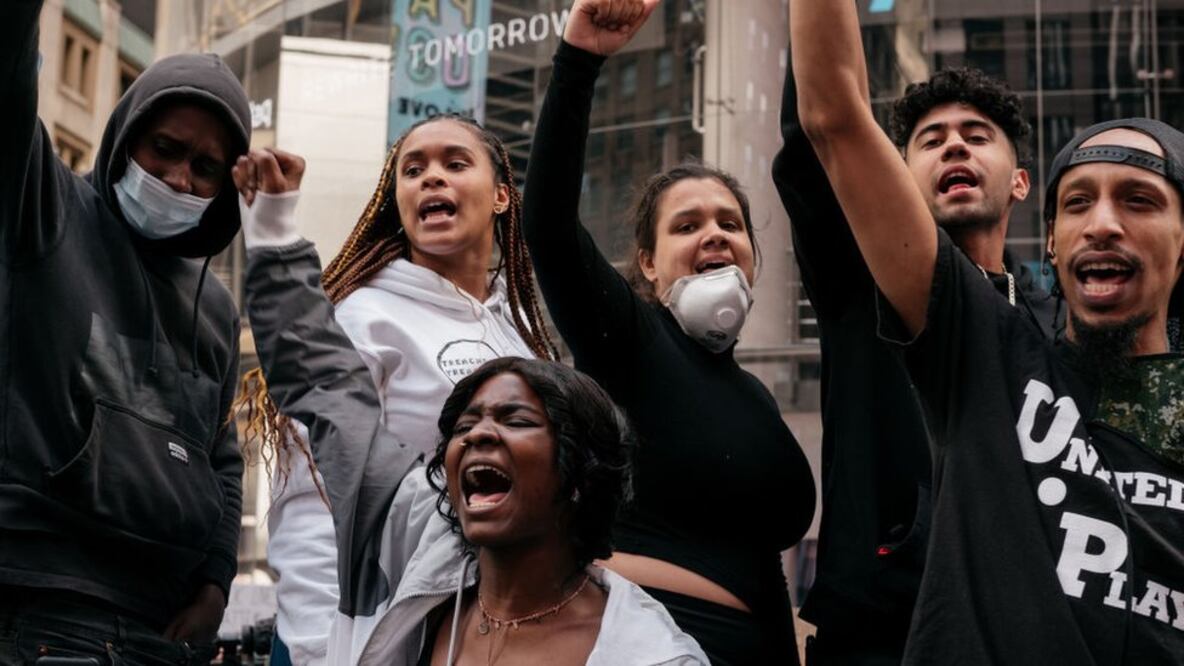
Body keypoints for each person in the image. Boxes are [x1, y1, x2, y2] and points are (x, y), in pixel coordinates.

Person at [793, 0, 1184, 663]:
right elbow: (834, 117)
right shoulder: (986, 352)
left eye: (1139, 200)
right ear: (1053, 241)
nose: (1102, 224)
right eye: (1078, 203)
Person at [235, 168, 710, 664]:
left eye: (516, 421)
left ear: (579, 473)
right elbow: (328, 384)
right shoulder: (410, 538)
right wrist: (273, 231)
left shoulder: (651, 654)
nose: (479, 434)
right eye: (464, 426)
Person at [521, 1, 816, 662]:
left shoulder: (756, 396)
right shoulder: (630, 341)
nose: (714, 233)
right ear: (648, 264)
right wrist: (578, 60)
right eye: (687, 225)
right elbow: (548, 228)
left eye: (730, 223)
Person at [234, 113, 555, 665]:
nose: (432, 177)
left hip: (482, 634)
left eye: (455, 163)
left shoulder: (520, 334)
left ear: (502, 196)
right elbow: (312, 497)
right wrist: (321, 646)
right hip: (361, 636)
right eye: (413, 170)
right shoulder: (363, 318)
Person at [773, 52, 1059, 665]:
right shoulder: (859, 283)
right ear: (896, 178)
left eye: (976, 136)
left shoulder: (1057, 324)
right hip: (880, 639)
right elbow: (817, 136)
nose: (954, 145)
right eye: (931, 141)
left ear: (1019, 182)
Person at [0, 0, 247, 662]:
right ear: (126, 136)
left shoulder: (217, 308)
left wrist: (216, 584)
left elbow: (222, 456)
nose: (178, 178)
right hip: (43, 609)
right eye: (164, 149)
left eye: (205, 168)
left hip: (160, 631)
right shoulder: (46, 211)